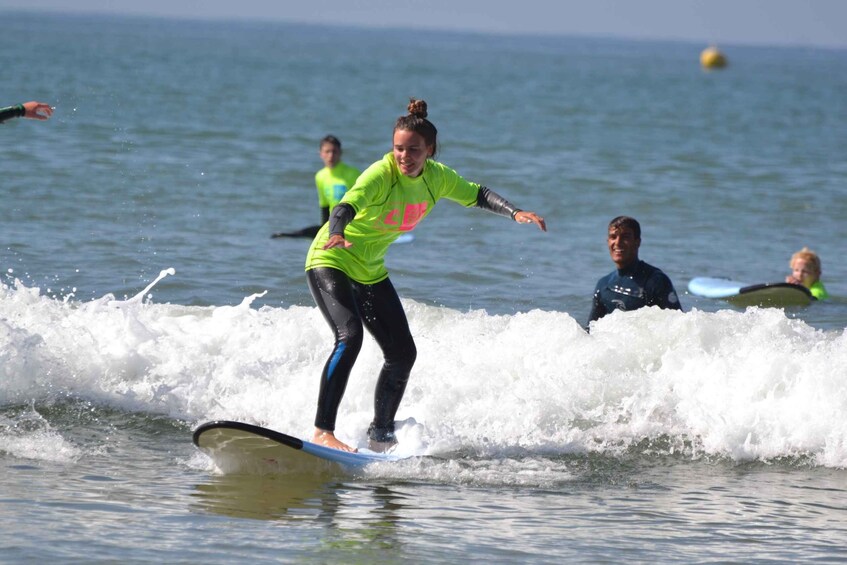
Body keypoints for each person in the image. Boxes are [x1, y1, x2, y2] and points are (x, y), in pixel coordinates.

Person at [304, 98, 547, 453]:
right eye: (399, 148)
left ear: (430, 150)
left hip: (369, 271)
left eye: (414, 150)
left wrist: (515, 212)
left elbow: (477, 194)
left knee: (402, 354)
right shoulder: (381, 174)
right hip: (331, 258)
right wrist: (337, 231)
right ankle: (322, 431)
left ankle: (381, 435)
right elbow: (345, 206)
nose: (405, 156)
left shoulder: (437, 178)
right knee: (350, 336)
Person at [587, 216, 682, 326]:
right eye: (613, 237)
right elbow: (590, 331)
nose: (617, 242)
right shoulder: (603, 285)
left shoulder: (656, 281)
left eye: (625, 237)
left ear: (637, 242)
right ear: (608, 242)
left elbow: (679, 327)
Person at [271, 135, 361, 239]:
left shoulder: (353, 174)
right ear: (321, 154)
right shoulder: (320, 176)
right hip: (334, 224)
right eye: (327, 151)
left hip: (352, 223)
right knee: (297, 234)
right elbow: (324, 206)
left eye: (334, 151)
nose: (331, 155)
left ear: (340, 153)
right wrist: (325, 231)